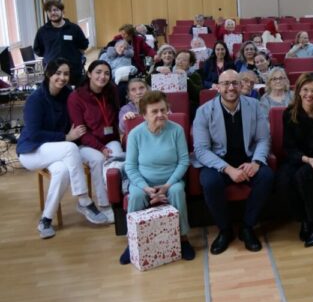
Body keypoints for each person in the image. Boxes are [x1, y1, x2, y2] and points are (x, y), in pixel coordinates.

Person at [17, 59, 109, 238]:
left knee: (62, 172)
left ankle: (46, 220)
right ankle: (84, 200)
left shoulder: (67, 94)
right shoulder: (35, 100)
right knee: (70, 148)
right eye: (57, 73)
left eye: (66, 74)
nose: (62, 77)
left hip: (55, 149)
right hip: (31, 151)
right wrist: (65, 137)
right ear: (48, 74)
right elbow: (34, 134)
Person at [192, 69, 274, 254]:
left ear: (241, 85)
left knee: (267, 176)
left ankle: (247, 227)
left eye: (235, 83)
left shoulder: (254, 106)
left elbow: (263, 139)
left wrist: (256, 162)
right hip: (218, 163)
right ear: (218, 87)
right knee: (209, 182)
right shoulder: (204, 111)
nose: (231, 87)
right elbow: (201, 150)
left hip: (247, 159)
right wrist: (228, 169)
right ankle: (225, 229)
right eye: (226, 83)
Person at [119, 91, 195, 264]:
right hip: (143, 182)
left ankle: (183, 239)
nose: (160, 115)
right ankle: (132, 242)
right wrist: (146, 188)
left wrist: (167, 185)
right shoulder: (135, 134)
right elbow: (130, 166)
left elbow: (184, 161)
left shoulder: (176, 130)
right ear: (144, 115)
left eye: (163, 110)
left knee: (177, 191)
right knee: (136, 195)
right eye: (154, 112)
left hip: (170, 180)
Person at [278, 72, 313, 247]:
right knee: (283, 181)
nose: (309, 94)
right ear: (298, 91)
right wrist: (308, 160)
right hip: (299, 158)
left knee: (303, 177)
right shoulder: (289, 113)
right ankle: (304, 219)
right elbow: (289, 147)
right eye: (305, 90)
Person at [67, 60, 124, 222]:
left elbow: (117, 115)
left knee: (117, 160)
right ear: (89, 74)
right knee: (98, 160)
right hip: (85, 143)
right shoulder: (76, 97)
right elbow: (80, 131)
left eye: (106, 73)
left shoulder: (112, 90)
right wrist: (100, 147)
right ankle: (104, 205)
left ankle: (117, 202)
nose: (102, 76)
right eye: (98, 72)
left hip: (110, 138)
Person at [33, 0, 89, 86]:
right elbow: (38, 50)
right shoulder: (42, 31)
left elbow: (83, 45)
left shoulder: (74, 28)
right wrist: (50, 55)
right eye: (49, 11)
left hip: (73, 71)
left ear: (62, 11)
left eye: (55, 10)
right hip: (52, 72)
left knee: (73, 96)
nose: (53, 13)